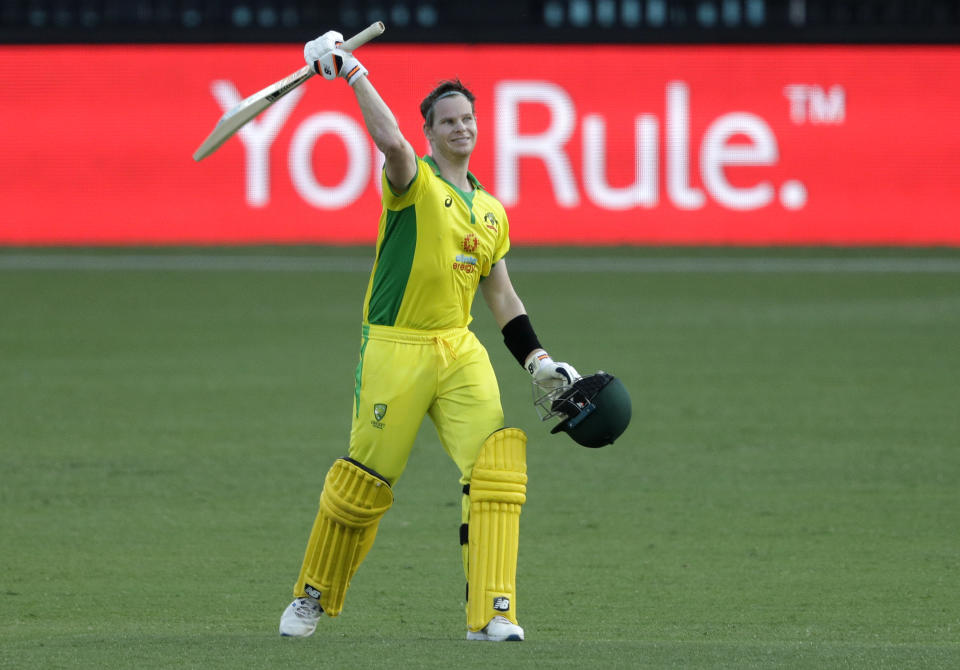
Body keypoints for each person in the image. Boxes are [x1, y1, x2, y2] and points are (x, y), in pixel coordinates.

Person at [278, 31, 579, 642]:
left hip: (458, 348)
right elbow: (388, 142)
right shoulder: (412, 183)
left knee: (496, 468)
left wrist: (538, 359)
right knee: (366, 480)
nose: (461, 128)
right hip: (396, 346)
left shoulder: (491, 211)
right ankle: (311, 596)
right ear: (432, 133)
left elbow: (502, 296)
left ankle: (493, 613)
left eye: (468, 118)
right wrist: (352, 71)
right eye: (449, 121)